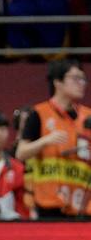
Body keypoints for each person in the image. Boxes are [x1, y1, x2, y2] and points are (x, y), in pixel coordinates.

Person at [15, 61, 91, 219]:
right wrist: (45, 140)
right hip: (49, 205)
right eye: (76, 78)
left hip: (83, 204)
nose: (82, 84)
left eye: (84, 79)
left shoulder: (88, 116)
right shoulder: (38, 114)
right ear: (58, 82)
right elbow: (21, 153)